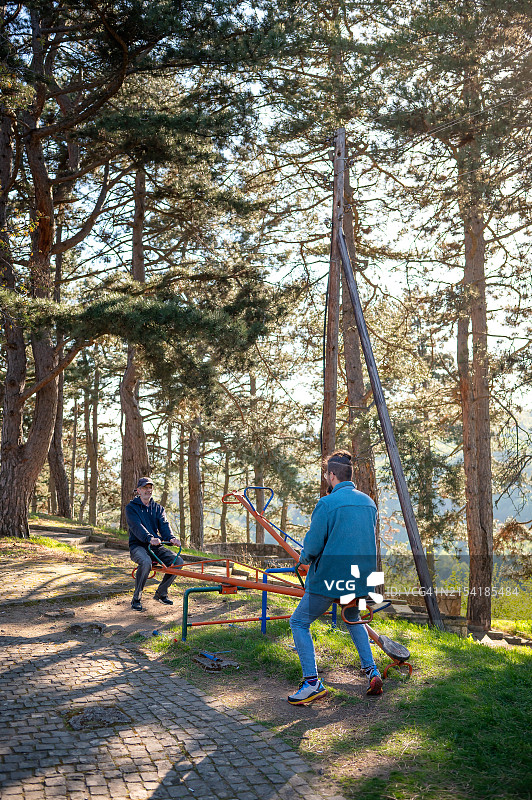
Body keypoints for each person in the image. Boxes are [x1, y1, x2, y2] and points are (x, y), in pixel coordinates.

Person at [288, 450, 383, 704]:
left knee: (299, 622)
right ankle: (372, 671)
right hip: (361, 580)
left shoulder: (326, 504)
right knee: (353, 617)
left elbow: (313, 544)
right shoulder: (369, 503)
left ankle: (311, 683)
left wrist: (303, 560)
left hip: (329, 579)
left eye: (326, 475)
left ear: (331, 475)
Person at [127, 477, 184, 611]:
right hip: (138, 546)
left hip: (155, 547)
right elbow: (136, 526)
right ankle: (137, 598)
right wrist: (149, 537)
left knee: (178, 561)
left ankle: (161, 593)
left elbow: (164, 525)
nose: (148, 490)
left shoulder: (158, 508)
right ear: (138, 491)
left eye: (150, 488)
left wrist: (171, 538)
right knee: (145, 562)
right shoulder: (131, 508)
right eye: (145, 488)